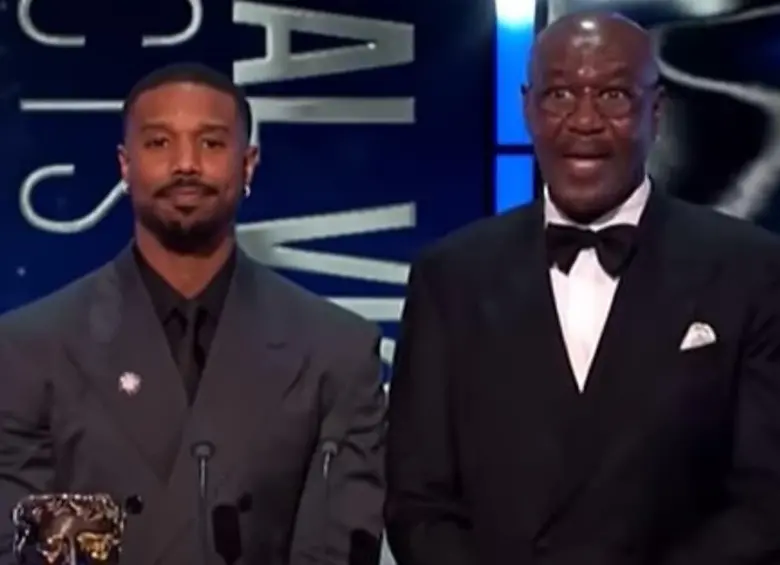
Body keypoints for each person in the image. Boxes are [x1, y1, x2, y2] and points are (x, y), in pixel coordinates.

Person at [385, 12, 780, 565]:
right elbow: (417, 502)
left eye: (614, 94)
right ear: (527, 109)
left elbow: (765, 501)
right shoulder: (449, 277)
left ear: (656, 111)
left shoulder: (750, 268)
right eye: (560, 95)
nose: (585, 119)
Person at [0, 62, 386, 565]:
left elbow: (338, 547)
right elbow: (16, 544)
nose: (186, 164)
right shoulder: (30, 350)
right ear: (124, 165)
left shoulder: (336, 352)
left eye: (211, 143)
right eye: (159, 143)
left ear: (248, 165)